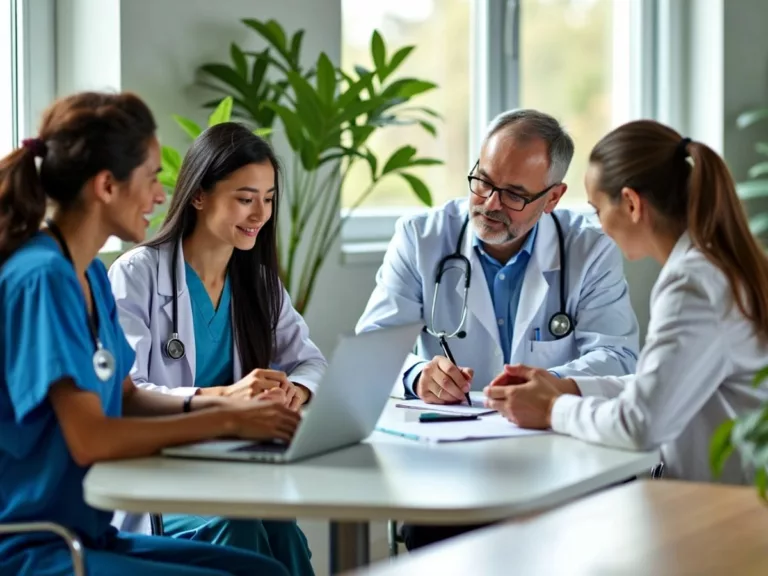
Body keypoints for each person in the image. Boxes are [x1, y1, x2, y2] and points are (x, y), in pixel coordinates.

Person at [0, 91, 297, 575]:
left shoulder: (89, 274)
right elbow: (90, 439)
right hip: (36, 547)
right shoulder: (43, 279)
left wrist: (225, 403)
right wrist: (225, 423)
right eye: (152, 177)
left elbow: (128, 395)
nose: (162, 195)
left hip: (92, 534)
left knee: (265, 571)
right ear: (106, 186)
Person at [356, 108, 640, 550]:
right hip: (451, 463)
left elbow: (620, 356)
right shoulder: (421, 237)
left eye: (513, 194)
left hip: (559, 452)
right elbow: (370, 350)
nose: (489, 204)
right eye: (483, 181)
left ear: (552, 197)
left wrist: (552, 384)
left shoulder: (591, 249)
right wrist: (418, 375)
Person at [485, 119, 768, 486]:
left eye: (597, 208)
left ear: (632, 203)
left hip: (721, 509)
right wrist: (569, 387)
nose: (599, 225)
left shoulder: (692, 285)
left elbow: (641, 425)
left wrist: (553, 409)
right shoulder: (715, 267)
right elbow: (662, 384)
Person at [108, 122, 322, 575]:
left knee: (282, 530)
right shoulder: (138, 275)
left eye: (268, 199)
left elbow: (309, 360)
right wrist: (225, 397)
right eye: (245, 198)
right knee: (237, 524)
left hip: (234, 469)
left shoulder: (259, 283)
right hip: (164, 481)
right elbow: (127, 391)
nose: (260, 214)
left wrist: (294, 392)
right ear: (199, 195)